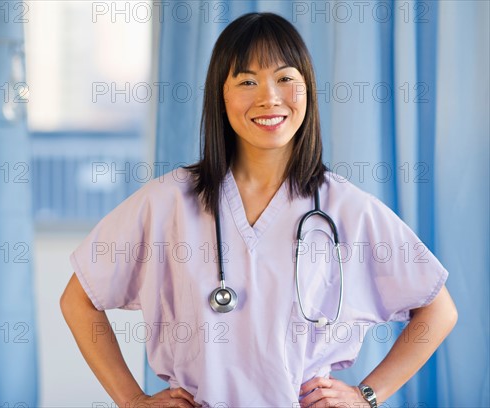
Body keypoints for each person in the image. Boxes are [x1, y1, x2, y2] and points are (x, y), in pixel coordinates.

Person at [61, 12, 457, 408]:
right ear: (222, 95)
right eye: (247, 81)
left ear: (307, 90)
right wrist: (132, 400)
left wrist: (367, 395)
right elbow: (78, 300)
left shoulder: (346, 208)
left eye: (286, 78)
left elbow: (438, 311)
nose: (269, 97)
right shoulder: (167, 202)